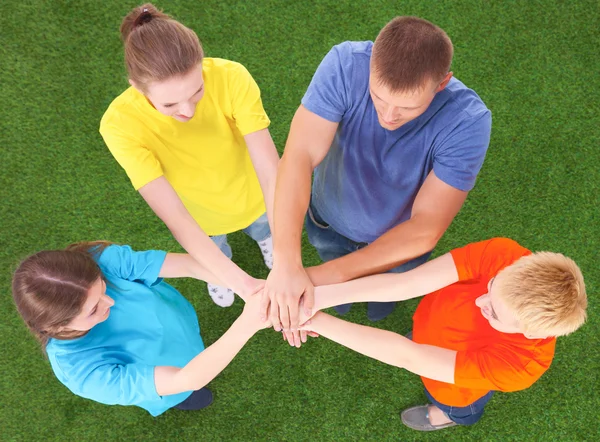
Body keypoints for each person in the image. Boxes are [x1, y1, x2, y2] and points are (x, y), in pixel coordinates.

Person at [263, 16, 492, 345]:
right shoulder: (344, 64)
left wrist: (312, 282)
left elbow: (426, 227)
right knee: (333, 265)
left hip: (400, 247)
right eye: (379, 97)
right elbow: (299, 155)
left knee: (385, 292)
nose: (388, 116)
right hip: (328, 219)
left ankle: (377, 303)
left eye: (407, 107)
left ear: (442, 84)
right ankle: (344, 299)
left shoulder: (468, 122)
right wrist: (287, 265)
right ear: (370, 67)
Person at [293, 238, 587, 431]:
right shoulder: (505, 255)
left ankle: (448, 417)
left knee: (456, 406)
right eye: (492, 284)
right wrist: (317, 299)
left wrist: (315, 321)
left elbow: (409, 356)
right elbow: (405, 284)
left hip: (454, 391)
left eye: (493, 312)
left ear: (529, 331)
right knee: (415, 340)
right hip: (427, 332)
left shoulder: (520, 366)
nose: (479, 301)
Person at [100, 4, 279, 308]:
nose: (188, 110)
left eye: (197, 91)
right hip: (198, 215)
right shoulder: (119, 125)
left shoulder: (231, 76)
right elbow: (176, 218)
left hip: (252, 192)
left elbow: (270, 171)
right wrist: (244, 285)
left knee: (263, 224)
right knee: (215, 248)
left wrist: (287, 257)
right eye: (169, 105)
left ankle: (267, 239)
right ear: (137, 88)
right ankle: (217, 270)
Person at [11, 241, 270, 416]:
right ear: (56, 326)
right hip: (177, 379)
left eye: (103, 287)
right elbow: (186, 379)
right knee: (186, 391)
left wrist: (250, 288)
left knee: (196, 347)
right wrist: (247, 324)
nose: (110, 301)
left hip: (178, 326)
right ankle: (185, 400)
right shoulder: (81, 372)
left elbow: (191, 265)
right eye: (92, 309)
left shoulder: (97, 260)